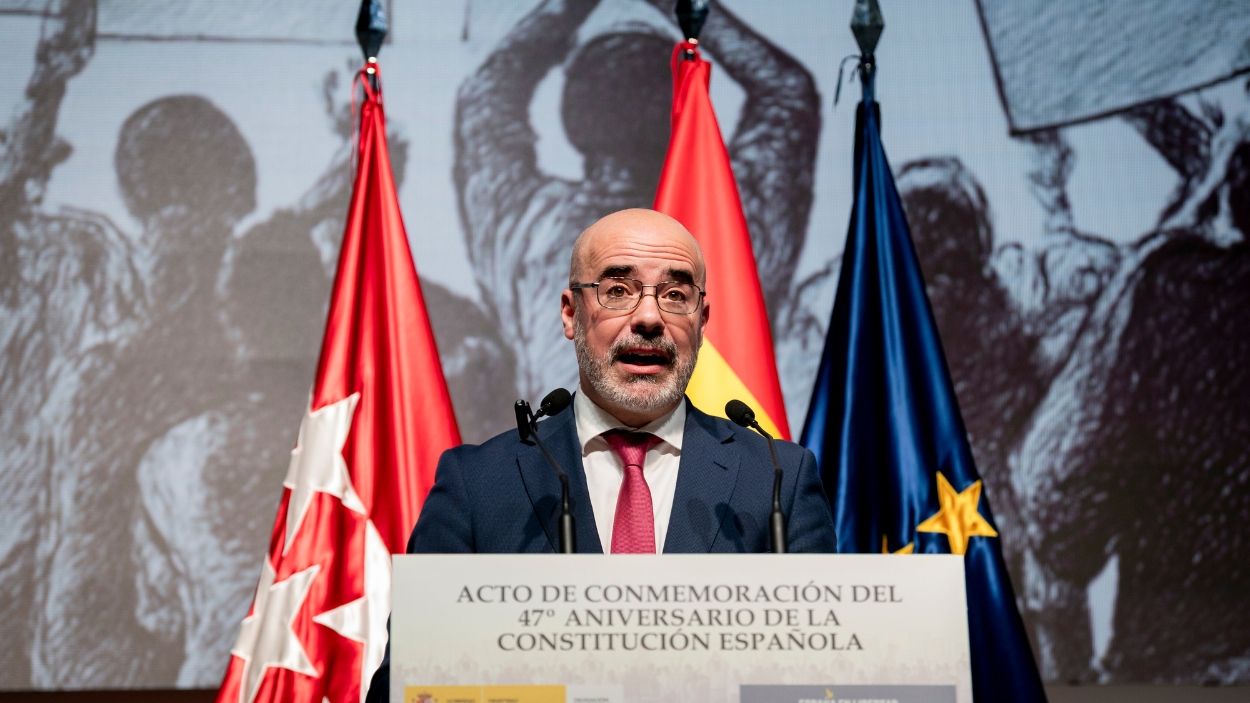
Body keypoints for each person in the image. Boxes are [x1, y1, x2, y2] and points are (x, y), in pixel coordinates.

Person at [363, 208, 837, 702]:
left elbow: (828, 677)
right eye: (618, 291)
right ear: (571, 313)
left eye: (675, 295)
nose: (650, 318)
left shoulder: (777, 477)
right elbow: (407, 686)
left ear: (701, 321)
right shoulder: (477, 483)